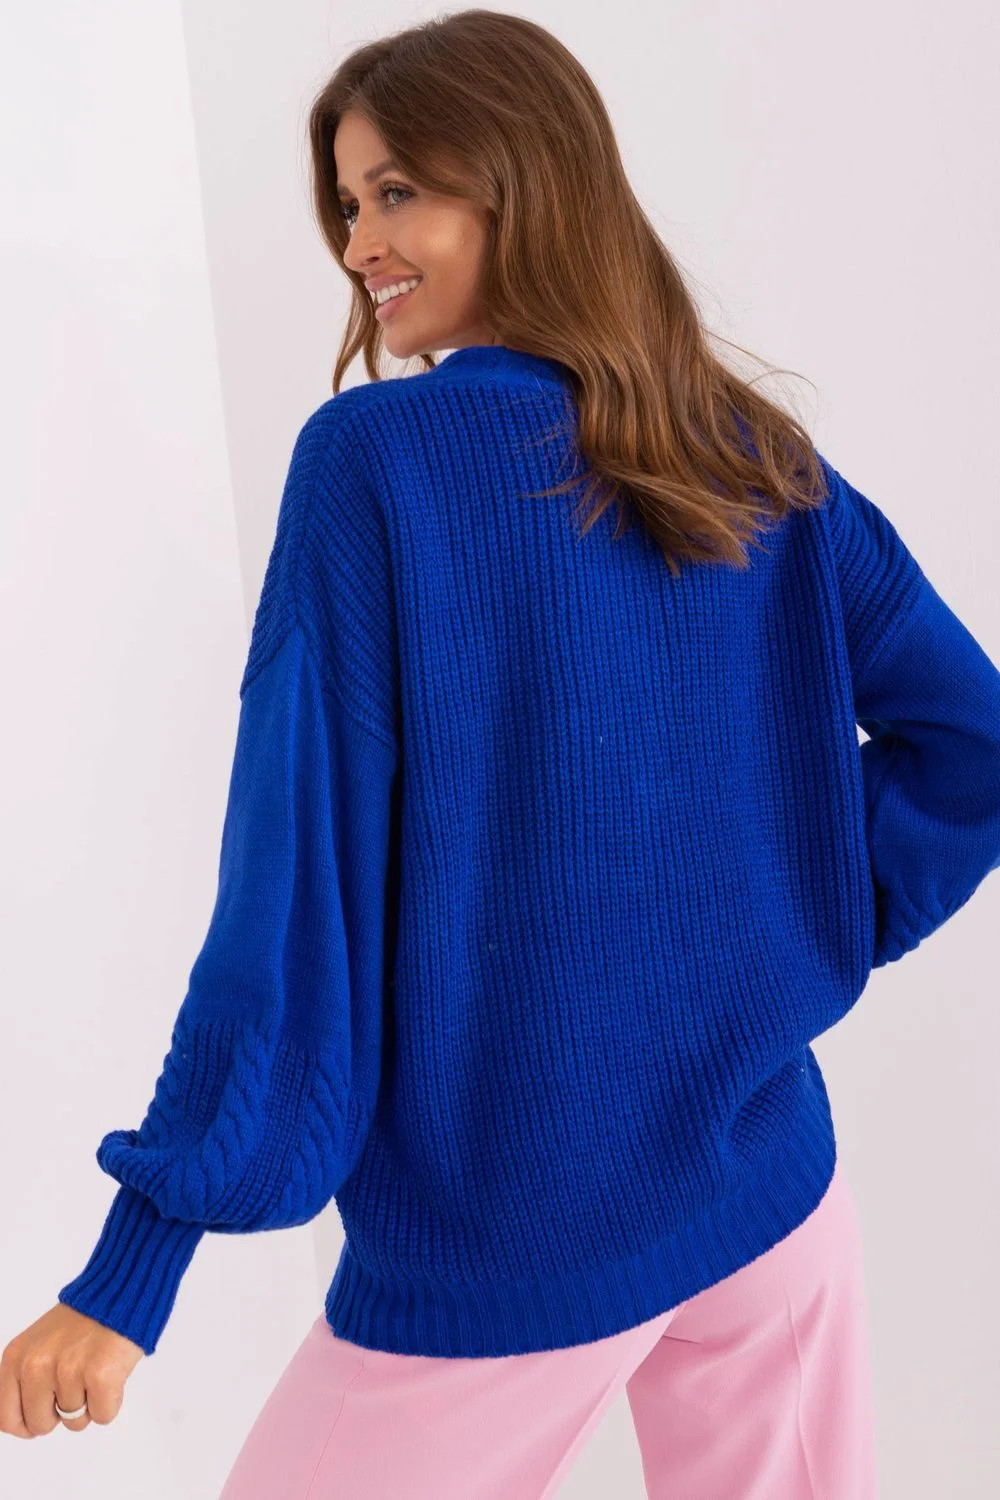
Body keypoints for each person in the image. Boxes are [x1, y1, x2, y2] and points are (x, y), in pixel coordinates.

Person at [4, 10, 1000, 1497]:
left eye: (398, 191)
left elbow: (294, 895)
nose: (359, 243)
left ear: (523, 183)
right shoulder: (742, 447)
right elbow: (971, 747)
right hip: (772, 1196)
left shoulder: (374, 465)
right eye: (350, 202)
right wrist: (790, 930)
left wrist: (132, 1271)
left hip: (508, 1245)